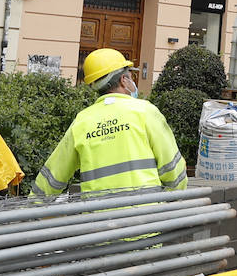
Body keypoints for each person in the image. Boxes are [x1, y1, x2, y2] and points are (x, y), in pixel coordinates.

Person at [34, 48, 188, 196]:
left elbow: (54, 173)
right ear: (123, 80)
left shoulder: (82, 121)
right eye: (130, 77)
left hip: (97, 217)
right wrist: (171, 197)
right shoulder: (145, 112)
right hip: (143, 215)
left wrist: (31, 208)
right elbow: (173, 171)